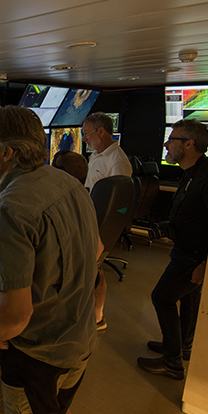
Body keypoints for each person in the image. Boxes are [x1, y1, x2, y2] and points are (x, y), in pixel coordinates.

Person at [0, 106, 101, 414]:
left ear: (6, 152)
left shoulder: (8, 208)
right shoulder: (68, 183)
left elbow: (15, 314)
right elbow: (98, 249)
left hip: (40, 355)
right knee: (60, 413)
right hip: (81, 336)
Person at [137, 119, 208, 380]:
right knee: (189, 298)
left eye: (171, 139)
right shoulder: (196, 170)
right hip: (185, 249)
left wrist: (207, 262)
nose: (166, 144)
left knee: (162, 297)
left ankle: (172, 363)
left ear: (189, 144)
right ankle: (181, 345)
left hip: (195, 256)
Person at [81, 112, 134, 331]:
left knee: (95, 269)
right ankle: (94, 316)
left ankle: (96, 318)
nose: (84, 138)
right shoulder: (98, 154)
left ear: (100, 131)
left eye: (86, 134)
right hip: (92, 219)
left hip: (101, 225)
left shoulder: (118, 161)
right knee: (95, 270)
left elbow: (119, 201)